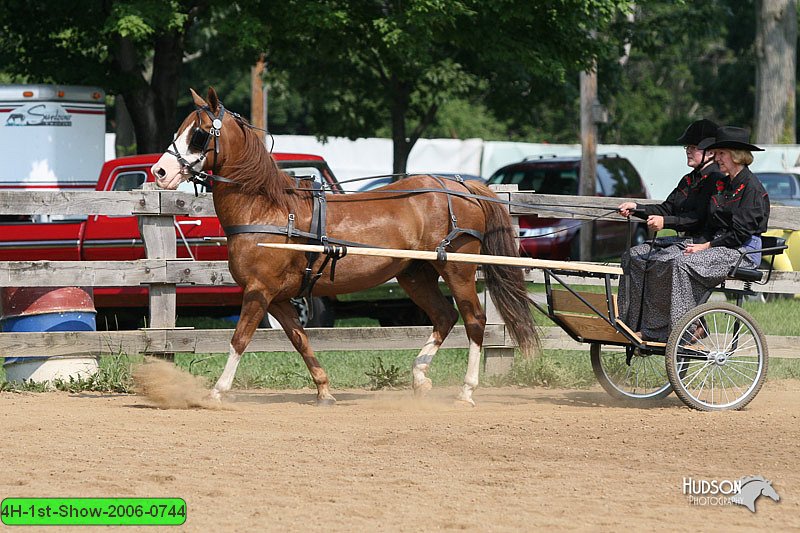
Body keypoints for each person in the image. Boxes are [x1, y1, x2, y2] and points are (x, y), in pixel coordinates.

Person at [621, 126, 769, 342]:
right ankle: (651, 326)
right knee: (660, 259)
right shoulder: (724, 184)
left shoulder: (752, 189)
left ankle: (684, 330)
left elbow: (739, 233)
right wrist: (638, 208)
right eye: (716, 153)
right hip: (720, 246)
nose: (717, 158)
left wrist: (705, 246)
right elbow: (707, 220)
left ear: (736, 156)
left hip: (742, 252)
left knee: (680, 263)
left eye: (721, 153)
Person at [617, 119, 721, 333]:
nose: (688, 152)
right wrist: (636, 208)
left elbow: (699, 219)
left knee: (661, 262)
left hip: (700, 242)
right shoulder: (689, 180)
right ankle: (632, 322)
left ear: (710, 153)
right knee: (633, 255)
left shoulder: (716, 180)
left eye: (693, 148)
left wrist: (667, 223)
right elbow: (667, 208)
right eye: (687, 147)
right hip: (681, 240)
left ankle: (681, 327)